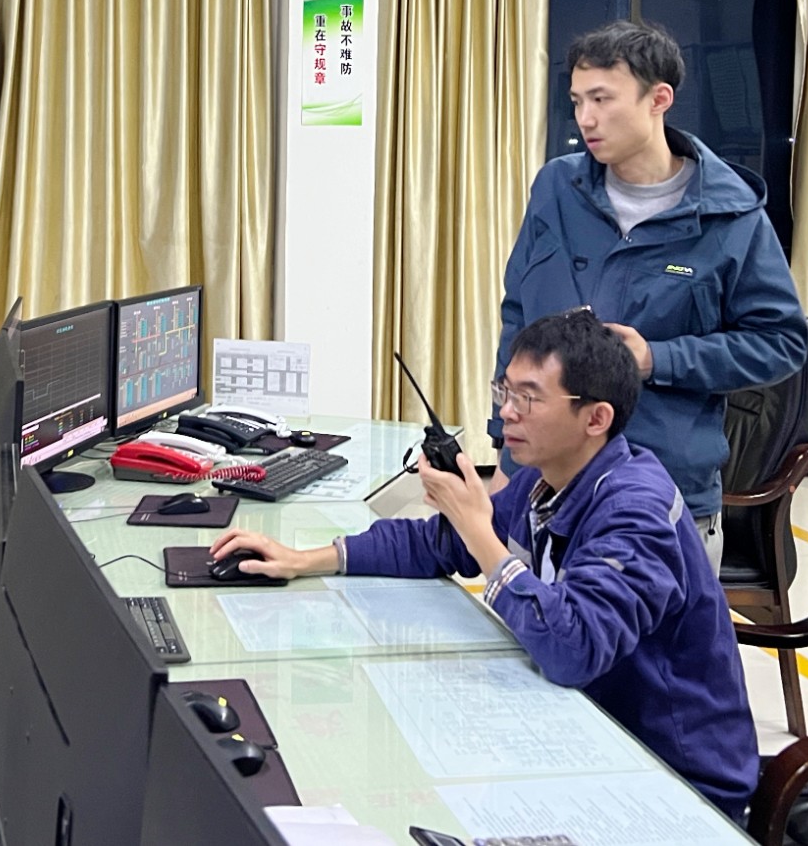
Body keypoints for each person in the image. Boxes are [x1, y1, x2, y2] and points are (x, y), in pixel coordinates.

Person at [210, 310, 758, 820]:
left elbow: (573, 650)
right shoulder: (548, 477)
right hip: (589, 733)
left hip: (676, 780)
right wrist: (307, 559)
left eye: (529, 398)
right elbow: (434, 544)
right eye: (505, 391)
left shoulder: (635, 510)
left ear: (596, 418)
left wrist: (478, 528)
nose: (507, 412)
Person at [492, 20, 807, 570]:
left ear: (658, 99)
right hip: (543, 484)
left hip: (660, 496)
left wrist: (658, 358)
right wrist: (504, 444)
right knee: (525, 621)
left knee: (637, 631)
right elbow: (518, 318)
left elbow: (780, 343)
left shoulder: (730, 216)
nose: (585, 118)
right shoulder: (556, 189)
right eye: (577, 101)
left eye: (602, 99)